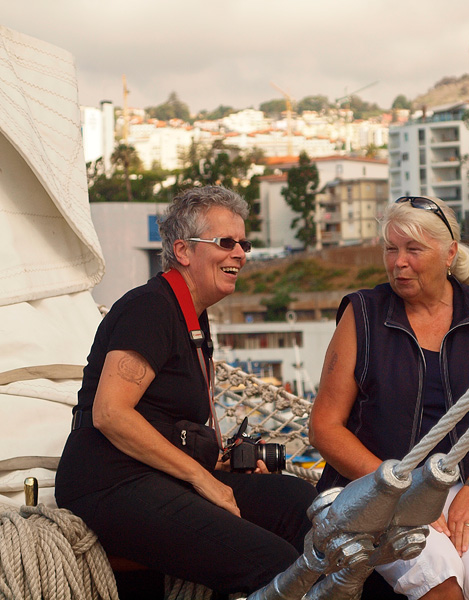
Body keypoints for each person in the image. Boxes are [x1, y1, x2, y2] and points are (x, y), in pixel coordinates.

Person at [55, 186, 317, 596]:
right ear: (182, 250)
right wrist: (204, 479)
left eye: (244, 244)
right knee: (275, 564)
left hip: (159, 478)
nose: (240, 253)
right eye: (226, 242)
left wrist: (219, 465)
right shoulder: (149, 308)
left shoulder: (193, 318)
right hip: (111, 483)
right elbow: (110, 413)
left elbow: (166, 421)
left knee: (301, 506)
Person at [309, 196, 469, 600]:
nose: (398, 262)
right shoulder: (362, 314)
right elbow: (325, 427)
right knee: (441, 585)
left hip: (468, 492)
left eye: (413, 249)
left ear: (450, 253)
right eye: (390, 249)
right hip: (378, 493)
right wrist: (395, 494)